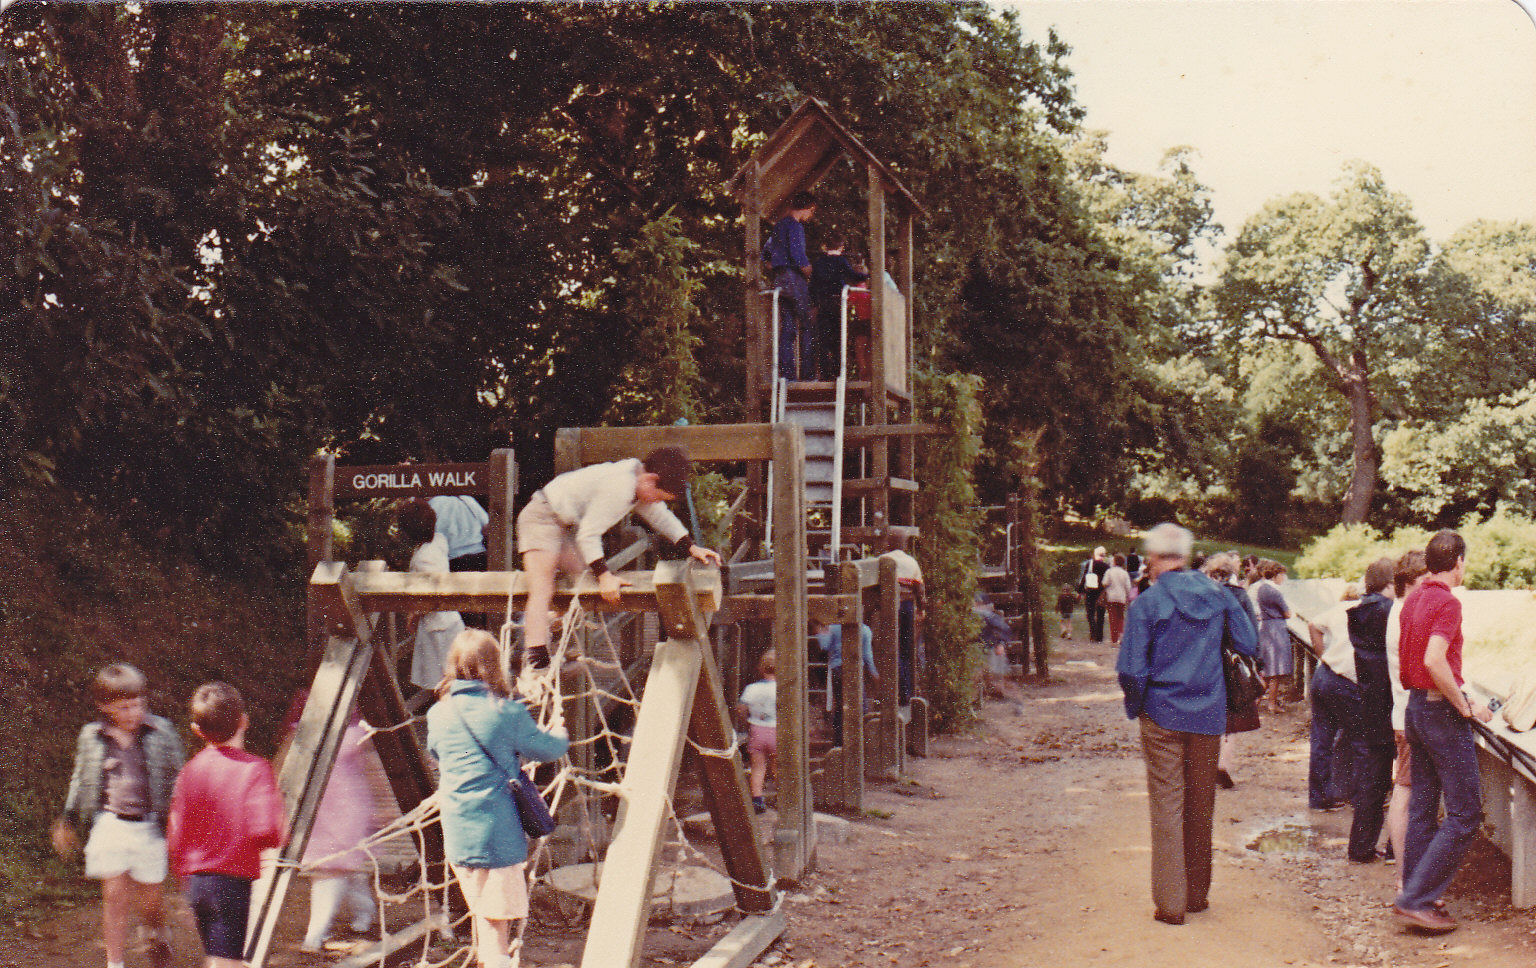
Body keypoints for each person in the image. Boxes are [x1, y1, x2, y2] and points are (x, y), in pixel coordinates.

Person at [1117, 523, 1257, 926]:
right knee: (1201, 804)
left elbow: (1131, 668)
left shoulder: (1147, 603)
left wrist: (1138, 705)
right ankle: (1197, 895)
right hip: (1208, 712)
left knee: (1167, 804)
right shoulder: (1218, 595)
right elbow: (1248, 644)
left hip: (1161, 712)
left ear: (1157, 559)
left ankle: (1171, 903)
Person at [426, 630, 570, 968]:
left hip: (458, 831)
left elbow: (436, 752)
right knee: (494, 929)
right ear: (494, 666)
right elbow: (546, 749)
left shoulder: (438, 713)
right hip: (497, 835)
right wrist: (559, 733)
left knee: (484, 916)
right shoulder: (507, 713)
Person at [516, 446, 721, 670]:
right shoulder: (620, 487)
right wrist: (605, 576)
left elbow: (661, 517)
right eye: (658, 497)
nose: (655, 502)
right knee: (543, 586)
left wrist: (691, 547)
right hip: (542, 517)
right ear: (651, 479)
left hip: (562, 525)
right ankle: (535, 657)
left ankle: (551, 636)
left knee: (581, 580)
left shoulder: (637, 479)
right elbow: (588, 535)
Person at [1392, 530, 1493, 934]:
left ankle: (1418, 892)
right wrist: (1463, 704)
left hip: (1416, 707)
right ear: (1458, 562)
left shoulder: (1413, 597)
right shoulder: (1447, 602)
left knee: (1422, 807)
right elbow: (1435, 659)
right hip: (1438, 711)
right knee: (1466, 813)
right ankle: (1416, 899)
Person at [52, 664, 185, 968]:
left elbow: (181, 777)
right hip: (110, 824)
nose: (132, 712)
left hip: (150, 826)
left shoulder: (161, 732)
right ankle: (115, 963)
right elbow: (80, 779)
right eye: (123, 707)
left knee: (151, 899)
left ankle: (155, 929)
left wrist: (181, 819)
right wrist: (69, 818)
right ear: (104, 706)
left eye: (137, 704)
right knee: (114, 895)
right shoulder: (92, 736)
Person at [168, 682, 286, 968]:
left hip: (196, 882)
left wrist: (184, 877)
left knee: (220, 957)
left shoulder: (189, 771)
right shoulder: (256, 769)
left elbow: (175, 833)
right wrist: (282, 821)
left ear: (197, 730)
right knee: (225, 963)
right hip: (231, 883)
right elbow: (268, 832)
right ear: (244, 721)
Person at [280, 696, 379, 953]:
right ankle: (363, 912)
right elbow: (283, 763)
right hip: (321, 806)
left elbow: (369, 767)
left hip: (347, 805)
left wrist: (379, 803)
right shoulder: (303, 729)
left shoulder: (355, 729)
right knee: (338, 866)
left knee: (338, 866)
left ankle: (318, 932)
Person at [1347, 558, 1398, 864]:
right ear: (1390, 584)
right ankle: (1396, 849)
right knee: (1404, 780)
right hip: (1391, 702)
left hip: (1370, 702)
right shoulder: (1388, 612)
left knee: (1374, 779)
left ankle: (1361, 846)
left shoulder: (1359, 612)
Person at [1384, 550, 1429, 882]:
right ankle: (1404, 878)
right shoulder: (1406, 615)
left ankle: (1405, 874)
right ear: (1412, 582)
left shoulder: (1399, 611)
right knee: (1404, 794)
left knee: (1405, 792)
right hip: (1409, 717)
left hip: (1402, 714)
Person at [1200, 553, 1258, 790]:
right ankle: (1222, 764)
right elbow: (1251, 635)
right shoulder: (1240, 596)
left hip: (1202, 660)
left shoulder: (1199, 596)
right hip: (1231, 661)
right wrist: (1257, 664)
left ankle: (1202, 765)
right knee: (1231, 715)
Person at [1305, 585, 1363, 812]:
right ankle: (1358, 795)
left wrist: (1321, 653)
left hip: (1324, 673)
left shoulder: (1338, 608)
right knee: (1361, 739)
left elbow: (1312, 625)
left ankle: (1319, 797)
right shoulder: (1365, 610)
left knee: (1321, 739)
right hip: (1347, 680)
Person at [399, 499, 466, 692]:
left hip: (439, 625)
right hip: (444, 621)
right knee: (446, 678)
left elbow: (431, 592)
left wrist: (413, 614)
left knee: (446, 679)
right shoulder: (438, 541)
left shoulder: (424, 559)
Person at [764, 191, 817, 380]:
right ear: (808, 208)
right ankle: (808, 374)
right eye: (811, 212)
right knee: (808, 323)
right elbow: (798, 255)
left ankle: (787, 375)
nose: (810, 216)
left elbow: (767, 253)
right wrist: (811, 272)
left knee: (787, 327)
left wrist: (774, 264)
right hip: (794, 278)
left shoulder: (779, 225)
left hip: (780, 280)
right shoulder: (795, 227)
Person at [809, 234, 869, 379]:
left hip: (823, 303)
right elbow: (853, 276)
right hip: (837, 304)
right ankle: (837, 373)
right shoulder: (841, 262)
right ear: (841, 247)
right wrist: (867, 276)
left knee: (823, 338)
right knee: (837, 337)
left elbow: (812, 286)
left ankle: (824, 373)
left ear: (826, 247)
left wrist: (814, 304)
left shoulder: (818, 263)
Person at [814, 620, 878, 747]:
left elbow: (824, 646)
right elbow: (867, 654)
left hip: (838, 669)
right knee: (861, 703)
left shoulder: (833, 627)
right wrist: (873, 671)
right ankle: (861, 740)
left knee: (840, 705)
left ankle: (839, 742)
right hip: (856, 669)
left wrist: (820, 632)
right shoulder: (865, 630)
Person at [883, 540, 926, 704]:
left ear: (889, 544)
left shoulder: (884, 559)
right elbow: (919, 589)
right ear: (904, 546)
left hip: (889, 605)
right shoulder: (911, 562)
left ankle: (898, 692)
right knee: (906, 649)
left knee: (892, 649)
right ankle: (906, 693)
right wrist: (921, 609)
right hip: (907, 607)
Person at [735, 650, 777, 814]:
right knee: (777, 767)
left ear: (761, 668)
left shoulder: (751, 688)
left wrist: (748, 719)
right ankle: (783, 798)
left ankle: (758, 800)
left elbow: (741, 708)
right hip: (777, 730)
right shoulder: (781, 689)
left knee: (758, 768)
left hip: (757, 730)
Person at [1252, 560, 1295, 714]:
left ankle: (1255, 702)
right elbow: (1287, 613)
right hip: (1276, 629)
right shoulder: (1275, 591)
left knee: (1266, 668)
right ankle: (1271, 704)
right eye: (1282, 575)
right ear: (1276, 575)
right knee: (1275, 670)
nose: (1283, 579)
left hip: (1265, 628)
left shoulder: (1261, 588)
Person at [429, 494, 491, 573]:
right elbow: (487, 527)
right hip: (479, 556)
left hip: (452, 561)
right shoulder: (467, 500)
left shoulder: (433, 504)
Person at [1078, 546, 1110, 643]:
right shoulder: (1106, 566)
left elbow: (1084, 577)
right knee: (1100, 614)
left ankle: (1093, 634)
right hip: (1101, 592)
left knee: (1090, 614)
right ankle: (1099, 636)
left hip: (1090, 591)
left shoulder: (1090, 564)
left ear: (1094, 554)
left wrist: (1080, 591)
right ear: (1104, 555)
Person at [1102, 554, 1135, 646]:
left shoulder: (1109, 571)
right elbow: (1128, 587)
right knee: (1121, 618)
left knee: (1113, 618)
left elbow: (1104, 583)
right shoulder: (1125, 573)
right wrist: (1128, 597)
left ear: (1114, 561)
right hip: (1121, 598)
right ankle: (1121, 637)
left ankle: (1114, 639)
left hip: (1111, 597)